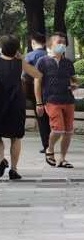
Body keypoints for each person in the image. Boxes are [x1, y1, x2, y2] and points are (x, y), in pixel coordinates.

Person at [0, 34, 41, 181]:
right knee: (15, 137)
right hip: (16, 104)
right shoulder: (19, 63)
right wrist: (22, 59)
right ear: (16, 48)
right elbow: (38, 75)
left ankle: (1, 161)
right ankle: (14, 170)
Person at [35, 33, 77, 169]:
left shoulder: (68, 63)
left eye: (64, 43)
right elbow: (37, 83)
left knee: (69, 131)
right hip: (52, 100)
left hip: (68, 100)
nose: (62, 45)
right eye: (59, 42)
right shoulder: (42, 61)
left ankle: (63, 159)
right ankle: (50, 149)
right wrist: (39, 102)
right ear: (50, 45)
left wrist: (75, 84)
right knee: (58, 130)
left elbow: (74, 80)